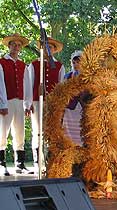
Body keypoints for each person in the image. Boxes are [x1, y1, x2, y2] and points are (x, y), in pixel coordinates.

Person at [24, 37, 65, 173]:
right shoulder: (34, 64)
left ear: (54, 50)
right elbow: (29, 85)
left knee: (51, 131)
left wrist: (59, 104)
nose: (49, 50)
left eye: (51, 47)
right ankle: (37, 162)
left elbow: (61, 87)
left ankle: (50, 160)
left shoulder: (59, 66)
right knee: (37, 131)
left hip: (52, 103)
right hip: (37, 101)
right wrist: (28, 104)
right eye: (46, 47)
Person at [0, 33, 31, 176]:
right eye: (14, 44)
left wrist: (27, 104)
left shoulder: (23, 65)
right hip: (7, 101)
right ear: (9, 45)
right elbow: (0, 84)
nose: (16, 47)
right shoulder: (2, 62)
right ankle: (2, 163)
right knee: (2, 132)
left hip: (19, 101)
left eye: (19, 45)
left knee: (19, 131)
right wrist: (2, 103)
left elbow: (27, 85)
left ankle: (20, 163)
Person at [63, 50, 83, 145]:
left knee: (81, 130)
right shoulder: (67, 76)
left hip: (82, 107)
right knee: (68, 132)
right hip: (69, 108)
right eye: (73, 62)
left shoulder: (87, 76)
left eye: (78, 62)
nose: (75, 64)